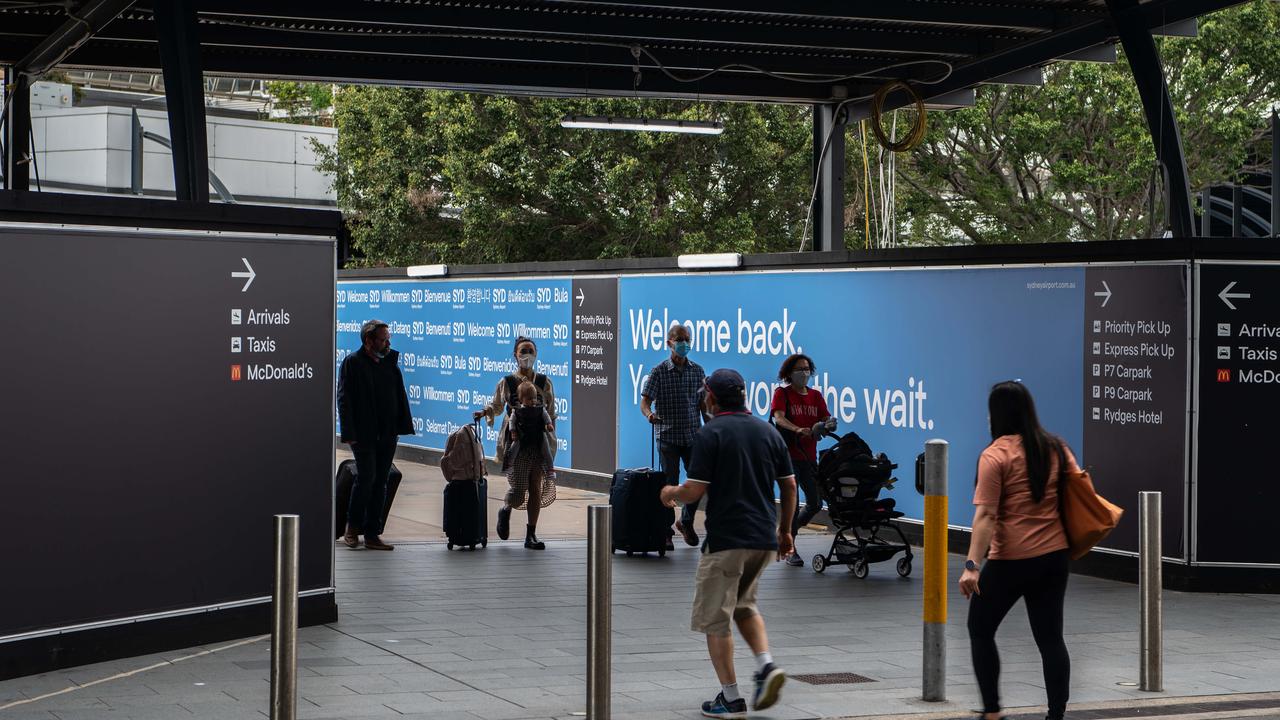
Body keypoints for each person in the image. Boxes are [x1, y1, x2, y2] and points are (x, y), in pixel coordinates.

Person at [660, 369, 797, 719]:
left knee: (715, 619)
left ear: (711, 397)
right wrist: (785, 531)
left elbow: (694, 490)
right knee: (744, 606)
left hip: (727, 540)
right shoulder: (768, 432)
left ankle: (731, 697)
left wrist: (670, 493)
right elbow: (790, 486)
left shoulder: (711, 433)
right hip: (764, 538)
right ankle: (766, 666)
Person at [960, 381, 1076, 720]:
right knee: (1051, 638)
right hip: (1054, 557)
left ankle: (992, 712)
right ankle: (1056, 715)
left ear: (996, 415)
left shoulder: (996, 454)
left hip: (1011, 561)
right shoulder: (1055, 448)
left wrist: (971, 565)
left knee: (980, 629)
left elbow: (986, 515)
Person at [337, 319, 415, 551]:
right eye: (383, 339)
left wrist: (400, 427)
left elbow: (399, 396)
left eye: (388, 338)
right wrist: (349, 432)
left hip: (387, 433)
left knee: (381, 481)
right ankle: (352, 528)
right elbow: (345, 399)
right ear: (369, 341)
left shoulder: (390, 364)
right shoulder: (353, 363)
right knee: (366, 478)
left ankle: (372, 533)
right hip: (363, 434)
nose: (387, 343)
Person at [474, 336, 557, 549]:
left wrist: (550, 434)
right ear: (515, 355)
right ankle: (506, 508)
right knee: (519, 490)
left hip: (537, 441)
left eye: (530, 350)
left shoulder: (544, 382)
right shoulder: (507, 382)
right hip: (516, 442)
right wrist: (485, 412)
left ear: (536, 354)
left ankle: (531, 534)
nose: (527, 355)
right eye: (523, 351)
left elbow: (551, 412)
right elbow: (497, 405)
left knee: (536, 487)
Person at [641, 324, 708, 547]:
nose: (684, 344)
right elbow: (645, 402)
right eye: (680, 339)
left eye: (687, 339)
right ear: (669, 343)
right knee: (669, 484)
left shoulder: (698, 371)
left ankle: (686, 522)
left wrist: (711, 430)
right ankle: (666, 531)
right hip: (668, 436)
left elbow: (703, 406)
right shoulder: (659, 371)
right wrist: (650, 414)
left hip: (692, 436)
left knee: (698, 481)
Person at [770, 353, 836, 567]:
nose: (804, 373)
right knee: (794, 503)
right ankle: (790, 547)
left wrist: (829, 423)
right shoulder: (783, 393)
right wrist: (797, 429)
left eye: (807, 368)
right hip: (788, 456)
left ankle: (786, 533)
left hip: (809, 456)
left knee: (815, 502)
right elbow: (779, 417)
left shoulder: (816, 396)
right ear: (789, 373)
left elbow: (824, 417)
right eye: (799, 369)